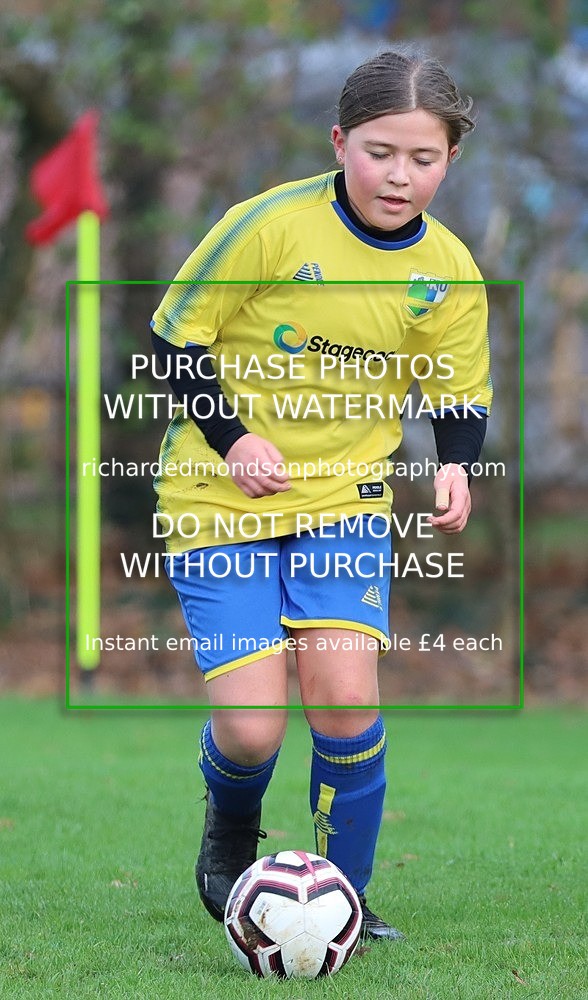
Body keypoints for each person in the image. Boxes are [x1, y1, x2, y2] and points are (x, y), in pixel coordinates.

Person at [150, 49, 492, 941]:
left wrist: (456, 463)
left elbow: (459, 392)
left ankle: (342, 899)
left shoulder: (450, 269)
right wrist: (235, 439)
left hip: (344, 502)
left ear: (451, 159)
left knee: (344, 701)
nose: (400, 175)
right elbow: (173, 339)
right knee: (254, 730)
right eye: (381, 152)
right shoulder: (268, 226)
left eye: (423, 158)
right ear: (340, 143)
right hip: (217, 499)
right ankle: (230, 827)